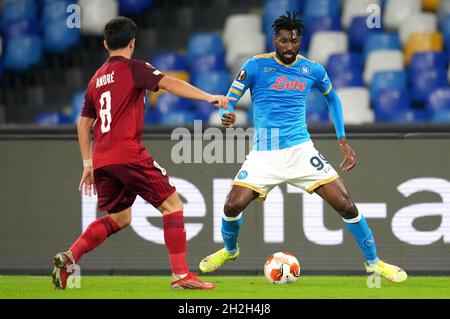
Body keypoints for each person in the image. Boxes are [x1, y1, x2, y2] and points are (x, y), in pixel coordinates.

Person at [199, 11, 407, 283]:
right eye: (284, 41)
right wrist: (228, 112)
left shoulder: (313, 69)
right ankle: (230, 251)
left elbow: (333, 100)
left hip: (301, 151)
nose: (289, 47)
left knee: (346, 205)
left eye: (294, 41)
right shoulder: (255, 66)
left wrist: (342, 138)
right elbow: (229, 98)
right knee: (231, 205)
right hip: (265, 153)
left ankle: (374, 263)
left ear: (300, 41)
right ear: (275, 39)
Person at [51, 16, 233, 290]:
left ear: (105, 44)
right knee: (173, 206)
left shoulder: (95, 80)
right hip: (127, 153)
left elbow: (83, 125)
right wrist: (209, 97)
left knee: (120, 217)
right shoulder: (134, 69)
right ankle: (181, 275)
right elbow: (170, 83)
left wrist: (87, 163)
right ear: (133, 42)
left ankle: (71, 255)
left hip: (101, 159)